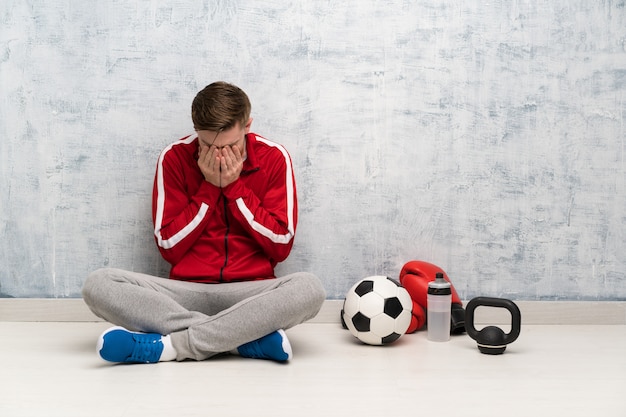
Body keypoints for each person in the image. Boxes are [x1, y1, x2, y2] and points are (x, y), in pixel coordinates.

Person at [82, 81, 326, 364]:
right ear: (196, 131)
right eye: (207, 145)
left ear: (247, 126)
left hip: (250, 294)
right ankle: (240, 339)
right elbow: (169, 246)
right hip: (184, 293)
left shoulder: (274, 157)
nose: (219, 155)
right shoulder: (173, 158)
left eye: (231, 145)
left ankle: (171, 346)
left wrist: (234, 188)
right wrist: (210, 189)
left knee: (309, 289)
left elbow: (280, 245)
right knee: (98, 284)